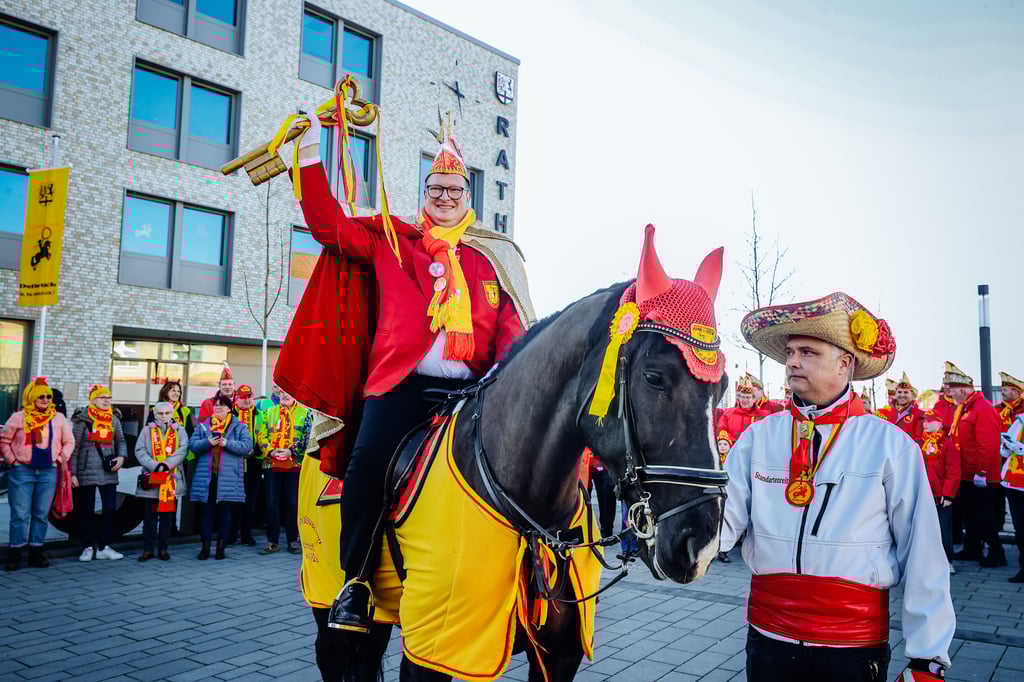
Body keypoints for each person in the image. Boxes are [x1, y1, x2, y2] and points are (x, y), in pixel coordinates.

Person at [275, 109, 532, 632]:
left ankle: (530, 575)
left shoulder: (493, 255)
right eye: (436, 188)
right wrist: (309, 154)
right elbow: (329, 226)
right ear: (426, 191)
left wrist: (505, 380)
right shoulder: (393, 239)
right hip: (402, 387)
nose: (444, 197)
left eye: (454, 190)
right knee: (367, 462)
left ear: (468, 197)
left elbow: (511, 327)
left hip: (472, 394)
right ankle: (357, 581)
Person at [723, 292, 953, 681]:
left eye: (808, 352)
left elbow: (924, 554)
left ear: (845, 364)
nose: (792, 361)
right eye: (790, 352)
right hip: (767, 640)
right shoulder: (756, 439)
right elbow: (720, 526)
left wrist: (927, 659)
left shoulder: (890, 446)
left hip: (851, 648)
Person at [1, 378, 74, 571]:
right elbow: (4, 440)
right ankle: (15, 553)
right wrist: (13, 461)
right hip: (22, 471)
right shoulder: (19, 417)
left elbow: (69, 442)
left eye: (48, 396)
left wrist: (60, 458)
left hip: (48, 471)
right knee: (20, 515)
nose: (45, 399)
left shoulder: (58, 418)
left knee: (41, 514)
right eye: (41, 396)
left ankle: (36, 551)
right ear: (32, 397)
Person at [944, 361, 1005, 568]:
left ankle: (996, 551)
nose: (951, 396)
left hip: (980, 474)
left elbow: (987, 444)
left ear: (963, 389)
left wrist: (982, 471)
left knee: (984, 514)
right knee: (969, 513)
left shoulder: (983, 408)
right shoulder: (965, 407)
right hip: (966, 472)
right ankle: (973, 547)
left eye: (953, 392)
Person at [189, 394, 253, 560]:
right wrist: (207, 443)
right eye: (216, 405)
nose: (218, 408)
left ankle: (221, 547)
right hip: (208, 477)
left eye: (222, 405)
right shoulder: (204, 426)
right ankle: (205, 547)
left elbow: (247, 446)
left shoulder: (239, 426)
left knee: (225, 513)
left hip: (228, 477)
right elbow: (193, 446)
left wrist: (227, 443)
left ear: (229, 408)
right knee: (207, 513)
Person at [70, 385, 127, 562]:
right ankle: (87, 546)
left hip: (107, 470)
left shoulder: (113, 419)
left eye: (108, 397)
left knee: (110, 508)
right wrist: (72, 473)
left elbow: (121, 441)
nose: (106, 400)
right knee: (86, 510)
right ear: (93, 399)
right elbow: (74, 448)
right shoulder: (82, 419)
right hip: (86, 470)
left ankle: (104, 546)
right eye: (102, 397)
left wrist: (122, 457)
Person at [257, 389, 310, 555]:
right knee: (271, 504)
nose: (285, 395)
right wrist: (271, 451)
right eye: (282, 393)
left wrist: (292, 451)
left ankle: (293, 540)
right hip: (272, 465)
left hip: (295, 465)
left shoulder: (305, 412)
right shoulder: (269, 412)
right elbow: (261, 434)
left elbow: (307, 436)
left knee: (293, 504)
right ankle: (272, 541)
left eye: (289, 392)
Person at [135, 401, 189, 561]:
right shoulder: (147, 430)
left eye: (167, 413)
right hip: (152, 478)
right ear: (155, 414)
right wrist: (155, 465)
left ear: (172, 414)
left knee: (167, 517)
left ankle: (163, 548)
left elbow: (183, 449)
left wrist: (167, 464)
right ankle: (148, 549)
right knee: (149, 517)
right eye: (160, 413)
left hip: (171, 480)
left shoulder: (180, 430)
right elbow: (139, 450)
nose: (164, 416)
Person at [921, 410, 960, 572]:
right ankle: (926, 560)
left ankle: (947, 560)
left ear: (939, 424)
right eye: (924, 420)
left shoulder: (948, 444)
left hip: (940, 496)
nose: (925, 423)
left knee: (943, 530)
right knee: (923, 529)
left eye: (929, 421)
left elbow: (954, 471)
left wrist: (949, 493)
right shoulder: (919, 443)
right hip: (924, 493)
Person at [228, 385, 263, 546]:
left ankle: (246, 534)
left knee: (251, 499)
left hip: (254, 461)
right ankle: (232, 533)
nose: (246, 399)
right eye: (243, 397)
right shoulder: (230, 415)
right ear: (237, 398)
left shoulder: (261, 415)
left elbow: (265, 435)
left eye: (249, 396)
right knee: (234, 499)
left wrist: (255, 451)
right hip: (235, 461)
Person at [1000, 414, 1024, 582]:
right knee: (1021, 528)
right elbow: (1003, 450)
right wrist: (1008, 446)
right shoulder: (1020, 420)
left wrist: (1020, 448)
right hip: (1015, 483)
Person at [717, 376, 769, 444]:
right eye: (742, 397)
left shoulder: (764, 415)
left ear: (753, 399)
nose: (745, 400)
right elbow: (722, 429)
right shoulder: (728, 413)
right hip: (733, 451)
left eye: (748, 397)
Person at [882, 372, 925, 446]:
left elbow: (919, 440)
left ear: (911, 394)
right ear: (895, 394)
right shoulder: (889, 412)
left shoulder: (919, 414)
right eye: (899, 392)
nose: (902, 395)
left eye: (905, 392)